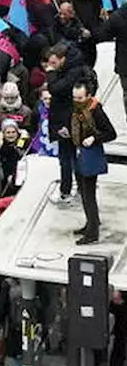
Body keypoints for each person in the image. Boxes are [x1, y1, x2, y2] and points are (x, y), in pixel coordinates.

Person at [69, 81, 117, 244]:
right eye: (75, 98)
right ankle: (91, 223)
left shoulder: (96, 111)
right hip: (79, 151)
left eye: (80, 98)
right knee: (83, 190)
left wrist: (94, 138)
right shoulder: (78, 109)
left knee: (89, 193)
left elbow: (111, 133)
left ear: (89, 96)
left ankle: (93, 232)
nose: (77, 101)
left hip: (91, 153)